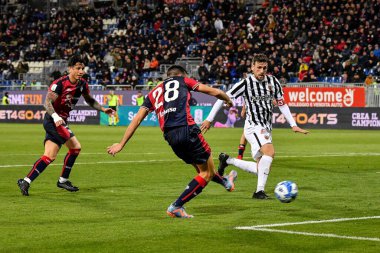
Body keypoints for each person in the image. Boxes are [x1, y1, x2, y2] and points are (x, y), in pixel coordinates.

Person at [107, 65, 237, 218]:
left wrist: (121, 144)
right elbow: (215, 92)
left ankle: (226, 182)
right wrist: (228, 101)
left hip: (170, 136)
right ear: (181, 74)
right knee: (206, 173)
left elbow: (137, 119)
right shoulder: (183, 80)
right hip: (187, 128)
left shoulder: (153, 92)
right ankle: (176, 206)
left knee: (202, 168)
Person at [201, 54, 309, 199]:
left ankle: (228, 160)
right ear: (252, 67)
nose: (262, 71)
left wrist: (293, 125)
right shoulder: (245, 83)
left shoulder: (273, 81)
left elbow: (281, 103)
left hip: (266, 126)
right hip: (253, 126)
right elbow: (222, 96)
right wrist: (209, 119)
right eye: (259, 67)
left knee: (262, 168)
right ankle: (259, 192)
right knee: (269, 152)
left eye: (264, 68)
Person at [17, 55, 115, 196]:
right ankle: (63, 180)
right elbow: (47, 103)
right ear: (70, 68)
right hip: (53, 121)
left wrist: (103, 109)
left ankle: (25, 181)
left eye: (82, 68)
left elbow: (90, 100)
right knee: (76, 147)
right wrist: (56, 117)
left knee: (49, 156)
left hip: (60, 121)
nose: (81, 71)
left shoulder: (82, 84)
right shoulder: (60, 84)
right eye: (78, 68)